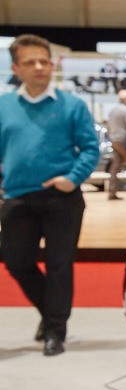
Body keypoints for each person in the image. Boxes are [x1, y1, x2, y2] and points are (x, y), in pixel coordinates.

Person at [0, 34, 103, 355]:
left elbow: (90, 148)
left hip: (62, 199)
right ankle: (50, 314)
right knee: (16, 261)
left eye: (44, 61)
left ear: (52, 64)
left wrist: (72, 178)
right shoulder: (4, 106)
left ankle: (55, 330)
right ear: (16, 68)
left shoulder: (72, 106)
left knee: (60, 265)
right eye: (30, 62)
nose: (39, 67)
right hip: (17, 197)